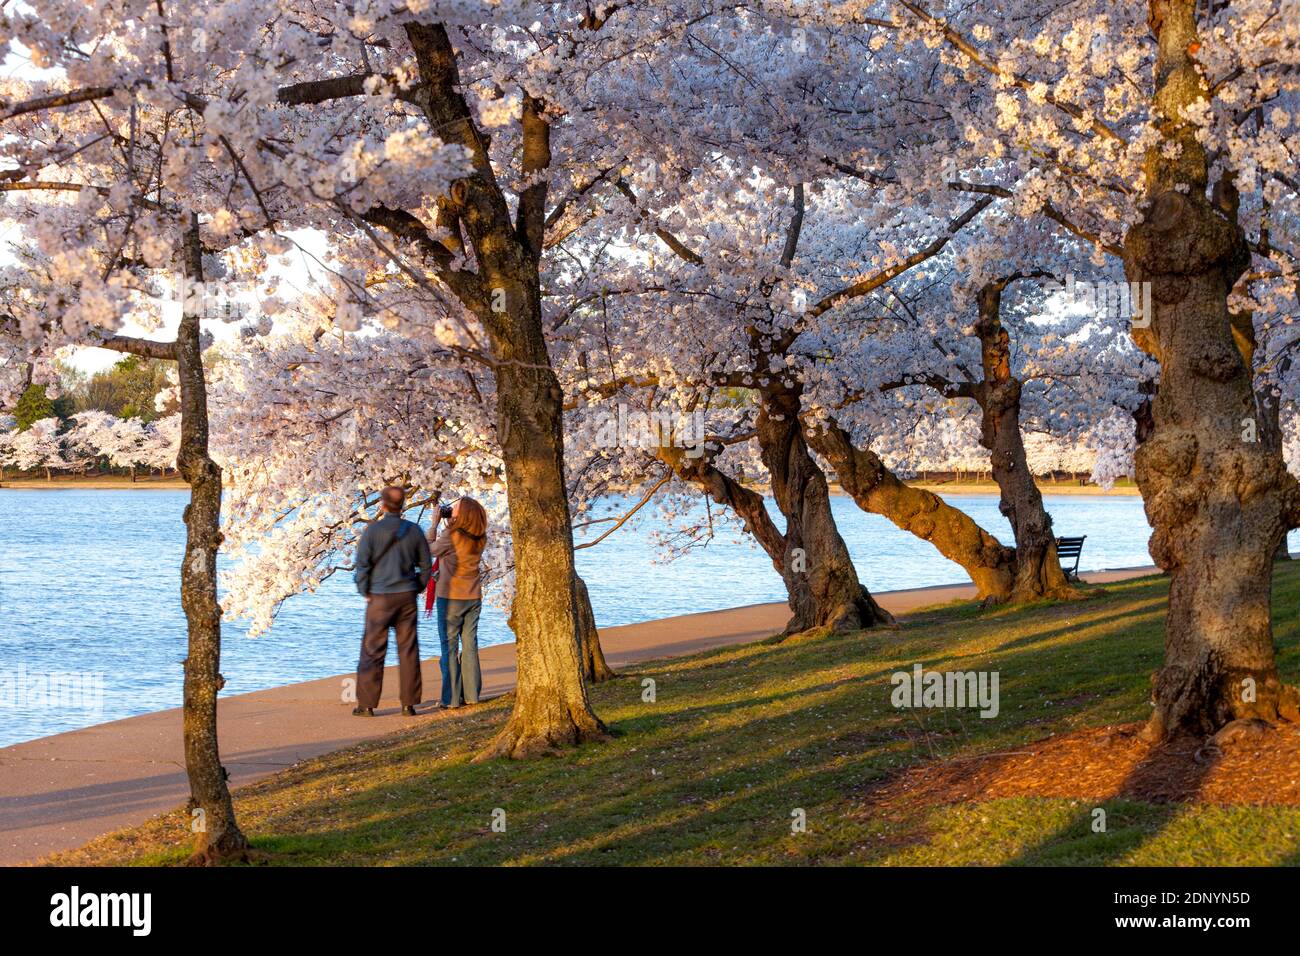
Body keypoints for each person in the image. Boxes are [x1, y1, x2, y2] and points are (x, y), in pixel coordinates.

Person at [352, 485, 433, 717]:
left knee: (372, 649)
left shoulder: (372, 531)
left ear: (382, 504)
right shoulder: (414, 531)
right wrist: (417, 586)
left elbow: (362, 565)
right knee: (408, 649)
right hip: (406, 596)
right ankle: (408, 704)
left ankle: (367, 704)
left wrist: (364, 590)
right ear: (403, 504)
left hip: (379, 597)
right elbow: (426, 565)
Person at [428, 496, 487, 708]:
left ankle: (451, 699)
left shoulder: (451, 535)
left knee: (450, 646)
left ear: (463, 515)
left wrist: (434, 525)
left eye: (454, 509)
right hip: (473, 597)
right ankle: (472, 696)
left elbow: (430, 550)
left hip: (451, 597)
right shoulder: (480, 536)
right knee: (470, 645)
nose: (449, 510)